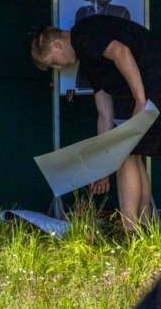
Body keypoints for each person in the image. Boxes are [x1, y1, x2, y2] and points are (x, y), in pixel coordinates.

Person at [31, 15, 161, 228]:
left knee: (126, 154)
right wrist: (103, 167)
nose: (58, 68)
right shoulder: (89, 63)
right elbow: (104, 113)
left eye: (53, 62)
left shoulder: (84, 33)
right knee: (132, 153)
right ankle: (144, 225)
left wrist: (140, 99)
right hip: (147, 88)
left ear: (56, 44)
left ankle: (129, 230)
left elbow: (122, 53)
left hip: (152, 83)